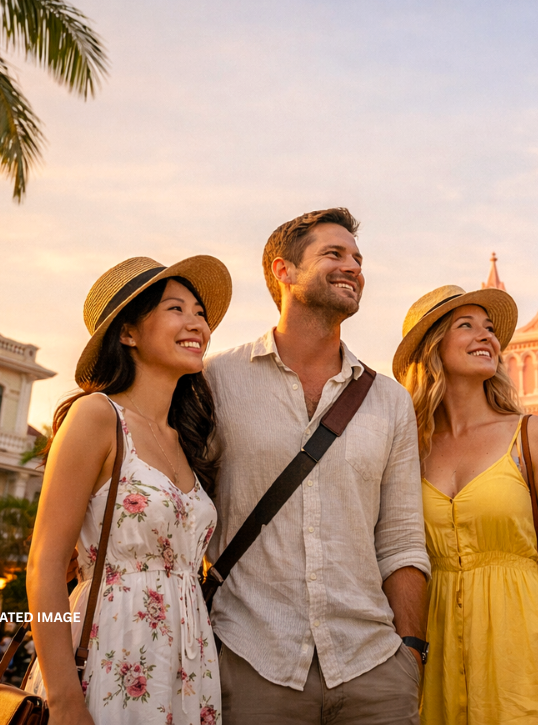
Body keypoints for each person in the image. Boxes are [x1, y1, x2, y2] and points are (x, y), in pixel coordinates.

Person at [205, 208, 429, 724]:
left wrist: (410, 653)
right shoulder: (217, 382)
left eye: (357, 258)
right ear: (283, 270)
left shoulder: (390, 401)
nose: (352, 266)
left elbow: (401, 539)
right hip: (250, 661)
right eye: (334, 254)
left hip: (374, 668)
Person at [26, 256, 232, 725]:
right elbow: (45, 565)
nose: (196, 322)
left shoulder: (189, 439)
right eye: (176, 309)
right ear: (128, 333)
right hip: (110, 649)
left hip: (188, 662)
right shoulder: (98, 417)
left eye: (200, 312)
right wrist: (63, 699)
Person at [394, 285, 538, 725]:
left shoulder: (533, 435)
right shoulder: (407, 447)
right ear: (432, 347)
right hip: (435, 645)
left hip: (524, 640)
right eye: (465, 325)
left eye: (489, 328)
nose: (485, 336)